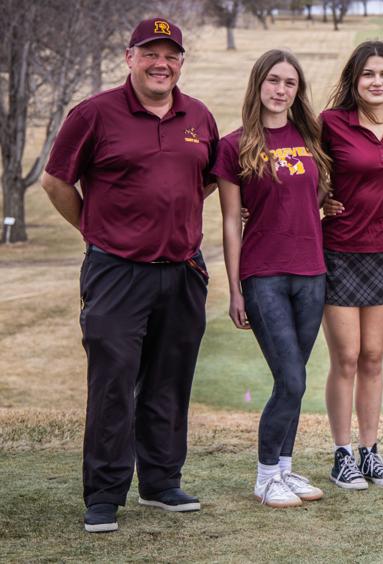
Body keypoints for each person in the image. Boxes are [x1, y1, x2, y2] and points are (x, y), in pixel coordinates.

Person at [40, 18, 218, 533]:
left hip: (182, 271)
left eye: (170, 55)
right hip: (116, 272)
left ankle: (161, 482)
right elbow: (56, 182)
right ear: (130, 57)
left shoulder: (198, 116)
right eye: (150, 54)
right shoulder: (94, 113)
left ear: (180, 62)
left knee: (169, 381)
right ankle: (104, 494)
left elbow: (202, 181)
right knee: (113, 382)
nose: (160, 64)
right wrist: (97, 231)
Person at [214, 50, 333, 507]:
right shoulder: (235, 145)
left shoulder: (311, 138)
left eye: (289, 83)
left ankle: (285, 469)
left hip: (312, 274)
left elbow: (318, 191)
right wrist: (235, 288)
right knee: (291, 380)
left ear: (297, 90)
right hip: (263, 276)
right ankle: (265, 476)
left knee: (296, 375)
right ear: (258, 84)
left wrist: (326, 204)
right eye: (273, 80)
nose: (281, 90)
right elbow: (229, 220)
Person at [319, 40, 383, 489]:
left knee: (374, 357)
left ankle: (370, 452)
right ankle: (342, 454)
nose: (376, 82)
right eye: (367, 75)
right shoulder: (330, 124)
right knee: (347, 357)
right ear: (354, 80)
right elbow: (305, 176)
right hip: (339, 250)